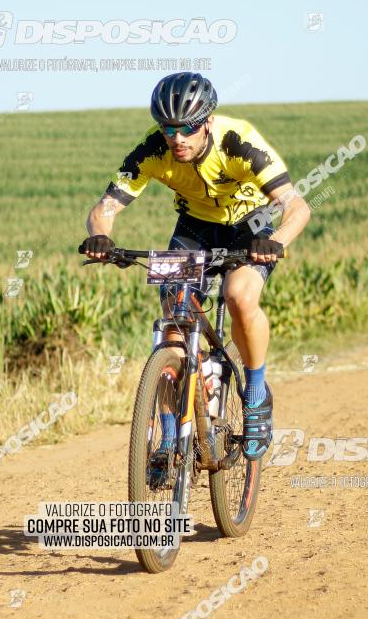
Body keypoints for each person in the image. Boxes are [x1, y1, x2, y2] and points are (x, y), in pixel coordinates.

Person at [80, 72, 310, 460]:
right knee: (173, 319)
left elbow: (296, 205)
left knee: (238, 296)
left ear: (206, 121)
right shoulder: (152, 150)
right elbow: (105, 208)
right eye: (168, 129)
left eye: (187, 128)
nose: (177, 139)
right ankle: (170, 439)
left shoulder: (240, 142)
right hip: (193, 229)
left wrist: (275, 241)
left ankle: (255, 396)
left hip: (249, 227)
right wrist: (101, 236)